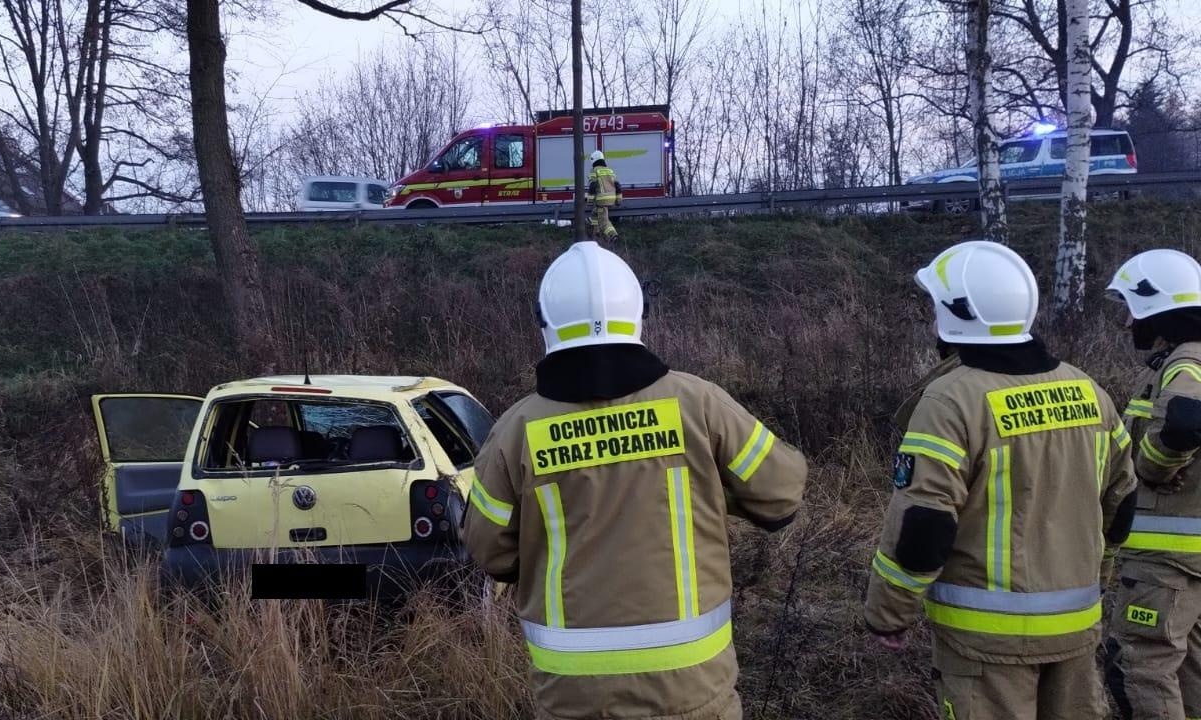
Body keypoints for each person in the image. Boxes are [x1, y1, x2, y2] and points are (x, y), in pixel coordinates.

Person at [463, 240, 808, 720]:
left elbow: (489, 551)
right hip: (692, 691)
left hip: (573, 699)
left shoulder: (515, 432)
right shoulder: (699, 404)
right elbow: (782, 493)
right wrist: (714, 489)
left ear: (545, 325)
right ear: (638, 314)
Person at [865, 240, 1136, 720]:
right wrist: (1101, 574)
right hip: (1077, 629)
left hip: (986, 643)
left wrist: (889, 613)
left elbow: (924, 524)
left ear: (955, 315)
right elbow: (1123, 500)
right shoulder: (1088, 389)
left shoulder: (951, 400)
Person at [1104, 249, 1201, 719]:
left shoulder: (1187, 361)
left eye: (1131, 306)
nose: (1127, 322)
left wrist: (1153, 465)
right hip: (1191, 557)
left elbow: (1183, 422)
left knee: (1141, 667)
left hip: (1166, 559)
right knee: (1191, 674)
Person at [585, 150, 619, 242]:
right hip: (612, 198)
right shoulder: (610, 171)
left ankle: (612, 235)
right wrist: (618, 199)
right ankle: (595, 232)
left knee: (604, 221)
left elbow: (593, 186)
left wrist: (589, 200)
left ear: (593, 160)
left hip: (601, 200)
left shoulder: (594, 170)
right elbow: (617, 185)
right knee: (595, 214)